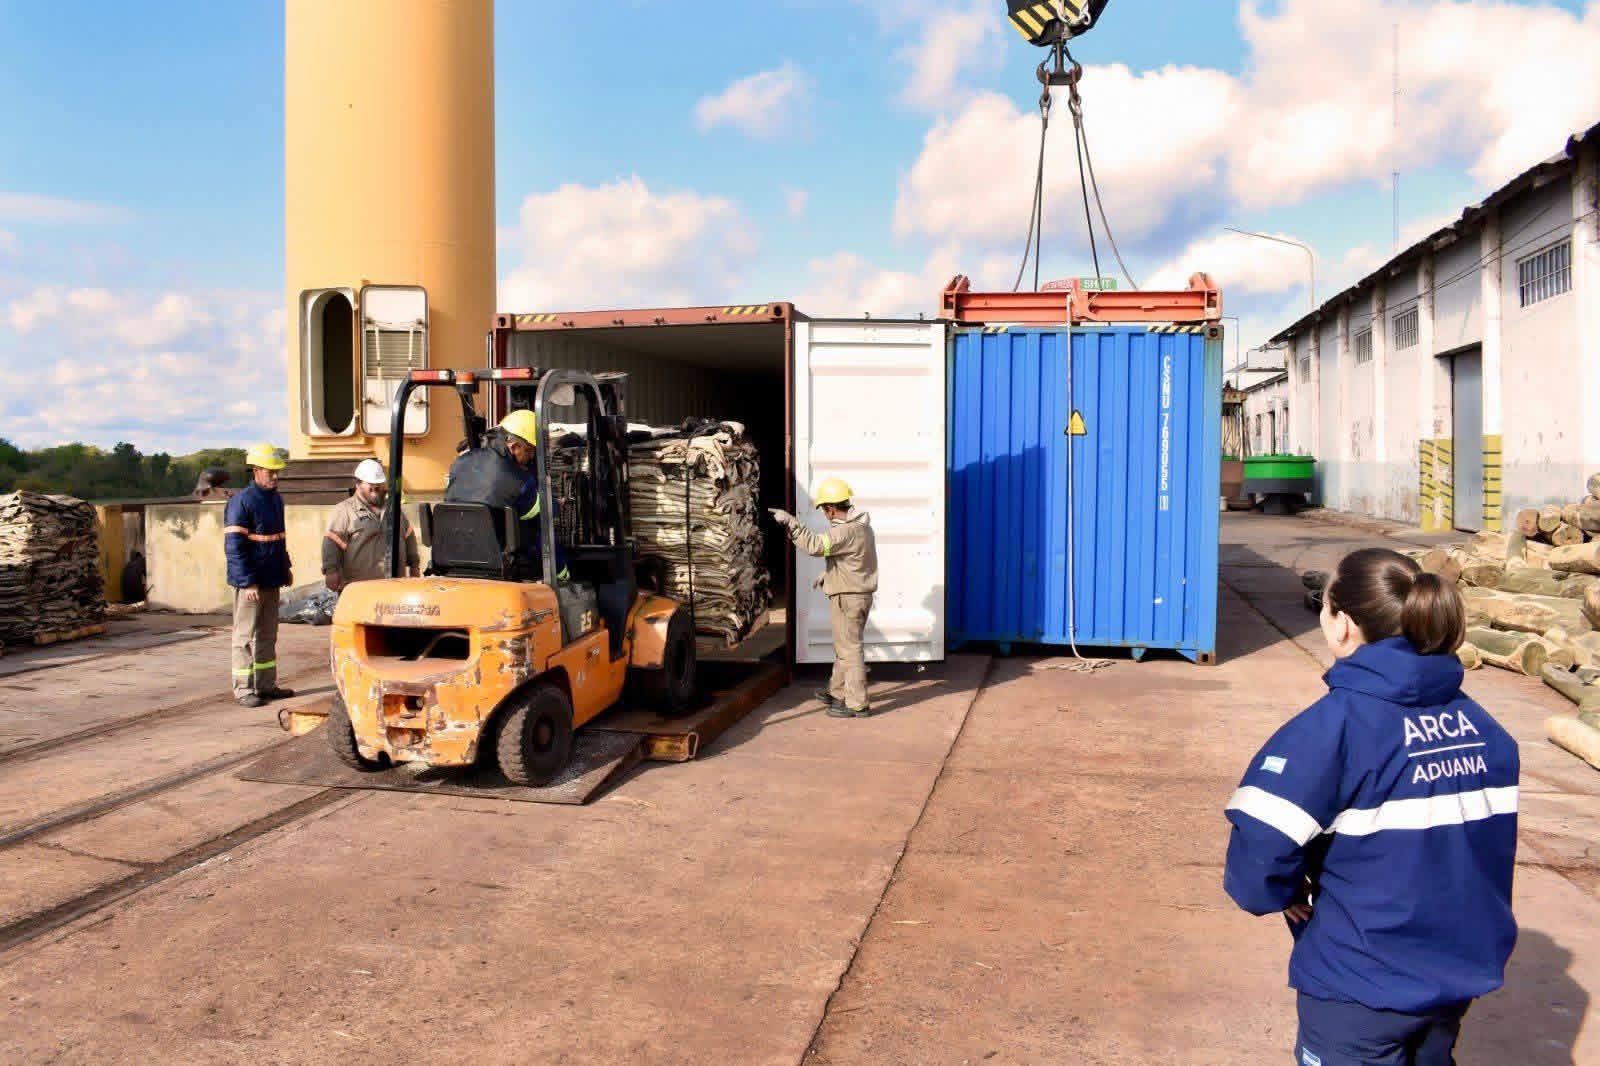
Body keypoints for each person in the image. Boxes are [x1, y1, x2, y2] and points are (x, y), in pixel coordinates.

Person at [1223, 548, 1518, 1066]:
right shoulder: (1486, 731)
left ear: (1342, 625)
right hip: (1454, 979)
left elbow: (1258, 860)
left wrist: (1284, 892)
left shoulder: (1330, 730)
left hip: (1358, 989)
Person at [770, 478, 878, 718]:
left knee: (850, 650)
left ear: (830, 508)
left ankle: (857, 704)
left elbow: (816, 546)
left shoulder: (843, 531)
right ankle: (837, 692)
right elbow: (854, 561)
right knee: (845, 647)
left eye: (824, 510)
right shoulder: (863, 527)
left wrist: (791, 523)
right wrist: (827, 574)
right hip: (858, 594)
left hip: (848, 598)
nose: (825, 515)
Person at [444, 409, 565, 580]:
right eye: (530, 451)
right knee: (537, 531)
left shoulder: (460, 462)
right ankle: (563, 577)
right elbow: (542, 512)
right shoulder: (519, 481)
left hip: (453, 557)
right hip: (497, 564)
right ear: (514, 446)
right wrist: (557, 505)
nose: (531, 458)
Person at [224, 443, 295, 708]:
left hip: (272, 579)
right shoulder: (241, 502)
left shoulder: (275, 499)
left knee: (267, 635)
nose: (276, 476)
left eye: (278, 471)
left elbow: (278, 539)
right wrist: (247, 581)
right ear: (256, 471)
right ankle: (244, 689)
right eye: (270, 471)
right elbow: (234, 548)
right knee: (244, 637)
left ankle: (265, 685)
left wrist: (285, 567)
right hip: (251, 585)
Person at [322, 458, 420, 590]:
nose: (375, 488)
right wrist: (331, 571)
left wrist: (414, 566)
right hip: (359, 589)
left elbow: (408, 537)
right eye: (370, 484)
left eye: (378, 484)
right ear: (358, 484)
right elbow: (332, 543)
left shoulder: (393, 510)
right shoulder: (344, 511)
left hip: (394, 587)